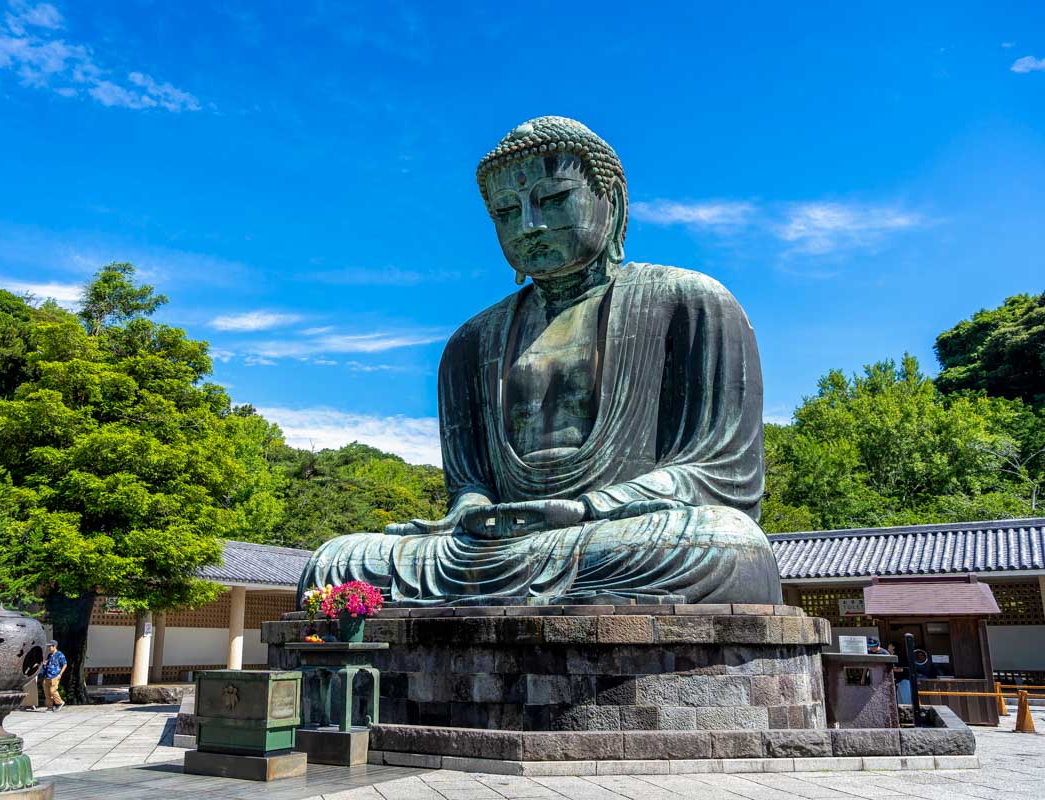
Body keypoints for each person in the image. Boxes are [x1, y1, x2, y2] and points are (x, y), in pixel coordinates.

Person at [299, 116, 781, 606]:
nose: (529, 226)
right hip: (500, 545)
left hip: (620, 530)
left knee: (727, 544)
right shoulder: (470, 342)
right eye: (507, 211)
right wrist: (472, 508)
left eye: (552, 199)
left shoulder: (690, 303)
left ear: (612, 201)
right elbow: (471, 485)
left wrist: (588, 508)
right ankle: (546, 591)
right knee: (336, 563)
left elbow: (722, 475)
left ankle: (527, 590)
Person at [38, 639, 67, 712]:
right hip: (47, 675)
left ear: (54, 646)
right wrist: (44, 664)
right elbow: (47, 664)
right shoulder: (49, 655)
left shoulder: (60, 654)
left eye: (50, 646)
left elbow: (65, 664)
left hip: (55, 675)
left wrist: (60, 674)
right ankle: (49, 707)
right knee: (47, 692)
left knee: (53, 691)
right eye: (48, 646)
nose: (48, 648)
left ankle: (60, 703)